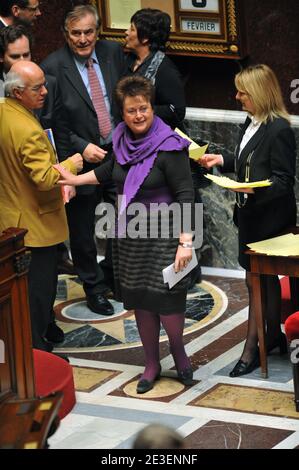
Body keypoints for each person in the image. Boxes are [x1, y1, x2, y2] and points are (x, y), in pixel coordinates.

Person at [54, 75, 195, 393]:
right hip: (129, 238)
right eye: (131, 111)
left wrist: (185, 243)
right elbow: (108, 172)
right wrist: (73, 181)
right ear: (123, 112)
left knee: (169, 301)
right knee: (141, 301)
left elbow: (186, 194)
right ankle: (151, 363)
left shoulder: (170, 145)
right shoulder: (120, 139)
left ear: (152, 107)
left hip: (167, 238)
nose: (139, 116)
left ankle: (178, 349)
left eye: (144, 108)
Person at [200, 64, 297, 377]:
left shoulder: (279, 129)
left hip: (270, 222)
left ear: (259, 93)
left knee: (256, 281)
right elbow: (247, 162)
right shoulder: (250, 122)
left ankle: (252, 347)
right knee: (257, 281)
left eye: (243, 92)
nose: (237, 96)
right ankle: (270, 338)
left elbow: (284, 181)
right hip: (249, 218)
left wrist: (254, 190)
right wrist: (223, 160)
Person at [41, 4, 125, 315]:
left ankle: (117, 278)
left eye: (88, 32)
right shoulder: (52, 67)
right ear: (66, 35)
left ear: (98, 31)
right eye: (76, 33)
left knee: (123, 219)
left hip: (118, 153)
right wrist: (81, 147)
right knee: (83, 230)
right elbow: (53, 122)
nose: (82, 39)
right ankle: (94, 288)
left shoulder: (113, 53)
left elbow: (123, 98)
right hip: (79, 158)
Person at [0, 60, 82, 351]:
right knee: (38, 292)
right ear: (18, 92)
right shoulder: (28, 130)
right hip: (36, 226)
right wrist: (72, 163)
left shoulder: (4, 112)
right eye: (38, 88)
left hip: (10, 218)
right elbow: (46, 179)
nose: (45, 92)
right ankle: (35, 349)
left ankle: (32, 340)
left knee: (20, 292)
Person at [125, 8, 185, 130]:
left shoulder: (165, 70)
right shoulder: (126, 60)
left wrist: (142, 109)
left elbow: (177, 110)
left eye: (132, 29)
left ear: (145, 38)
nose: (126, 32)